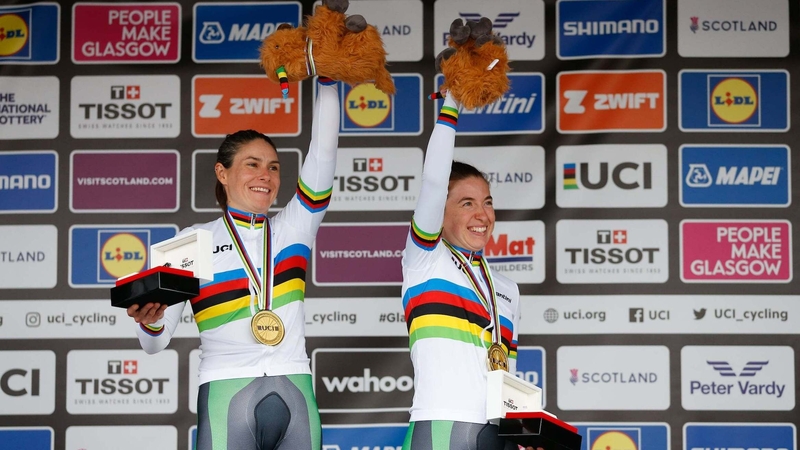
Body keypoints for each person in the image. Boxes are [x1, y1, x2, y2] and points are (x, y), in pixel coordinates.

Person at [127, 76, 340, 450]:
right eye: (252, 164)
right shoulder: (188, 243)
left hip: (296, 387)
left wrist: (328, 83)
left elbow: (323, 154)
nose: (265, 176)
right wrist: (153, 321)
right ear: (222, 173)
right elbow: (153, 345)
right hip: (226, 390)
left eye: (273, 167)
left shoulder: (294, 229)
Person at [400, 91, 521, 450]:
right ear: (440, 211)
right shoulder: (424, 260)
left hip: (499, 433)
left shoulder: (507, 288)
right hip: (441, 424)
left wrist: (524, 427)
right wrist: (452, 99)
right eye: (467, 203)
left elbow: (506, 373)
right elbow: (434, 181)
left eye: (487, 203)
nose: (482, 215)